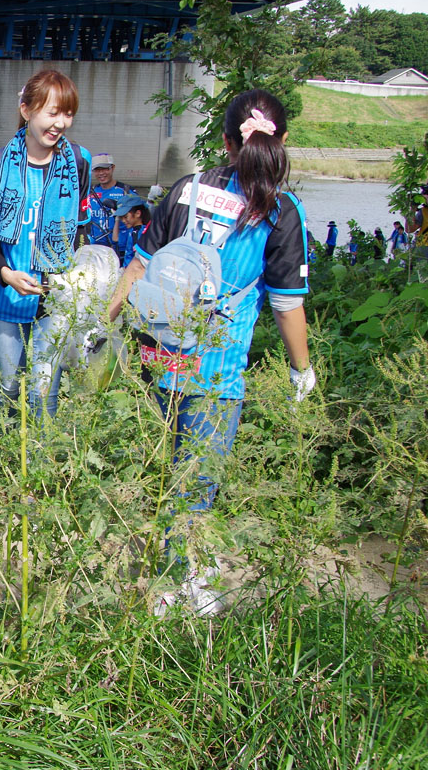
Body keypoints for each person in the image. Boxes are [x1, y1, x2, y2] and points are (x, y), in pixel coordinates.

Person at [109, 89, 313, 616]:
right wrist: (301, 370)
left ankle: (165, 565)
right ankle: (183, 587)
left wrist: (100, 325)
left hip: (157, 360)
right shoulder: (281, 212)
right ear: (282, 141)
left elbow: (137, 268)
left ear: (225, 142)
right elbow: (288, 307)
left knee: (159, 467)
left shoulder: (187, 189)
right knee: (195, 477)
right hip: (215, 373)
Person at [0, 69, 92, 415]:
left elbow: (80, 226)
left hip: (54, 296)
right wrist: (5, 272)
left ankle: (41, 461)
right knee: (10, 386)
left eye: (68, 113)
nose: (60, 123)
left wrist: (68, 276)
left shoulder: (79, 163)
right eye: (52, 112)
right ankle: (7, 461)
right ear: (27, 109)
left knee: (45, 391)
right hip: (6, 293)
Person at [88, 153, 135, 252]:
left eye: (105, 169)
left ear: (112, 168)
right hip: (95, 247)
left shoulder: (125, 191)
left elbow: (141, 217)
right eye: (97, 170)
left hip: (121, 248)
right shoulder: (90, 191)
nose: (101, 173)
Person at [110, 194, 150, 268]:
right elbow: (115, 240)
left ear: (138, 213)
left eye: (125, 217)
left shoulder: (140, 232)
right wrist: (117, 220)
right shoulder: (132, 230)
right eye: (121, 218)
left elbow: (138, 259)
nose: (123, 221)